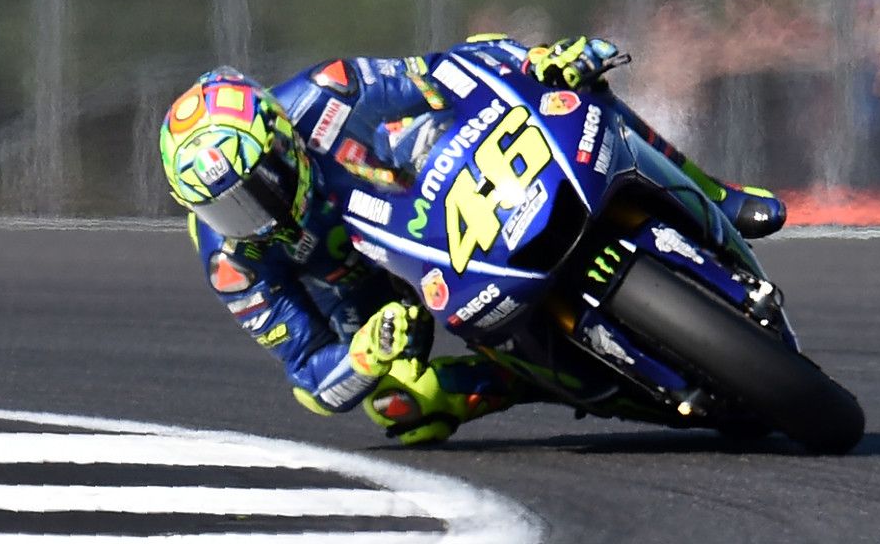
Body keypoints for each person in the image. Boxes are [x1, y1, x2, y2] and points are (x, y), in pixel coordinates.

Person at [158, 35, 787, 444]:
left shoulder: (331, 91)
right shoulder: (231, 261)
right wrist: (364, 357)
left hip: (427, 197)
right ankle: (522, 379)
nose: (249, 218)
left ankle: (713, 192)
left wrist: (535, 62)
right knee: (400, 406)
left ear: (278, 139)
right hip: (373, 292)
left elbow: (443, 73)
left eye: (253, 191)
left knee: (571, 86)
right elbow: (309, 379)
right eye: (221, 209)